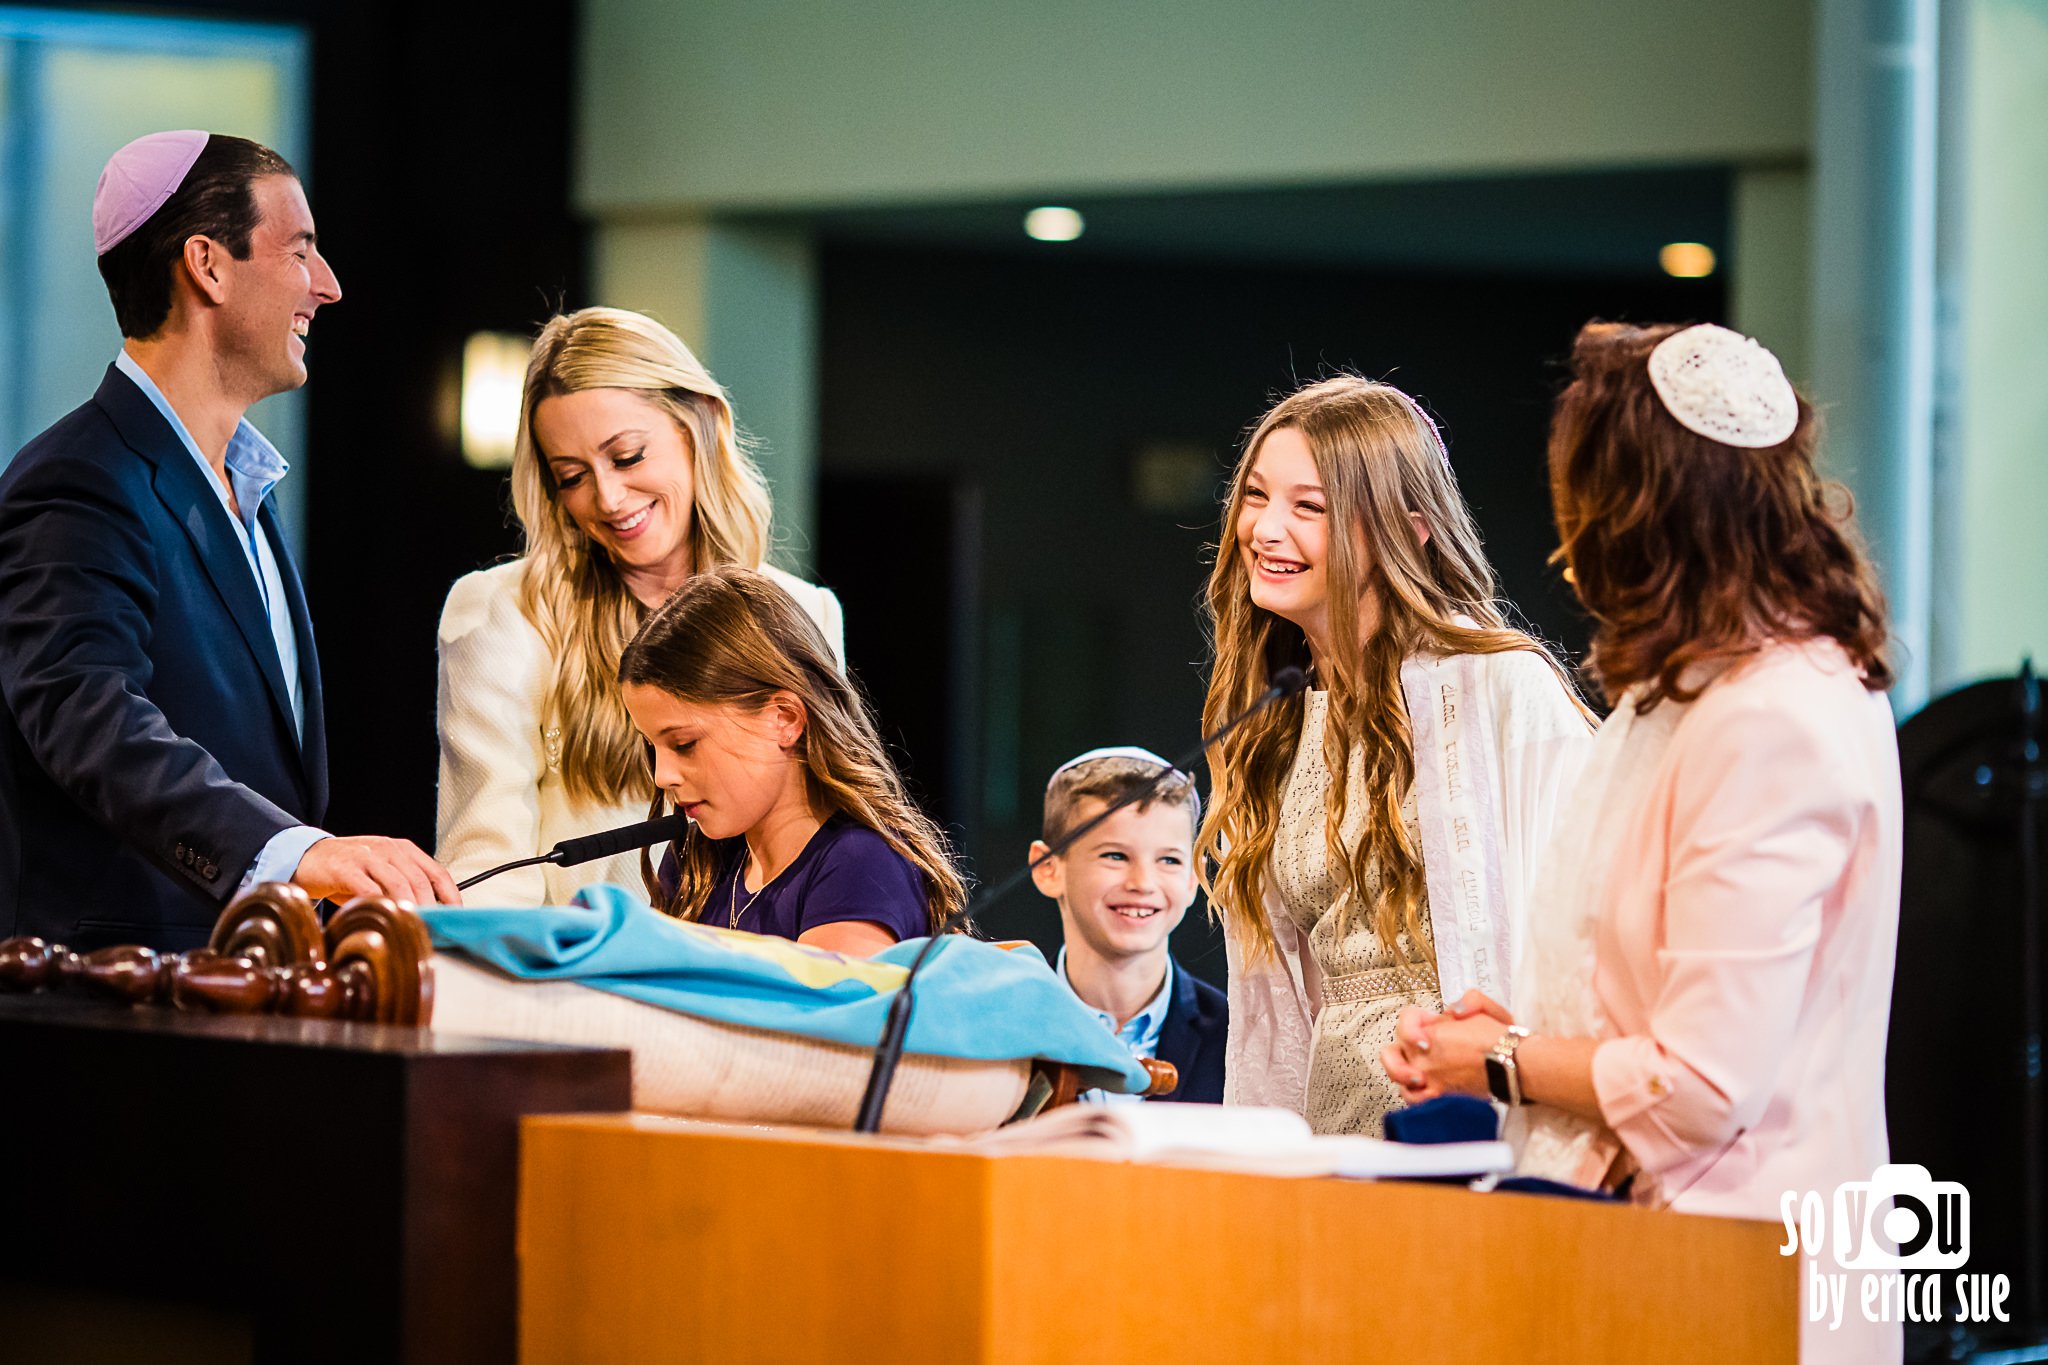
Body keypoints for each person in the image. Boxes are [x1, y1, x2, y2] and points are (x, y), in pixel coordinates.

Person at [1380, 323, 1900, 1365]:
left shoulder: (1772, 718)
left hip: (1733, 1269)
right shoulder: (1681, 694)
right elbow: (1658, 983)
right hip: (1646, 1254)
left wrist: (1501, 1059)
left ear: (1632, 517)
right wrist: (1527, 1028)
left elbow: (1704, 1086)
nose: (1565, 549)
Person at [0, 130, 456, 951]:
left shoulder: (243, 485)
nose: (329, 287)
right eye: (302, 252)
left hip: (233, 995)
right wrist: (298, 852)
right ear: (207, 265)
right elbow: (89, 717)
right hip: (115, 1004)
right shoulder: (76, 479)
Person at [1196, 375, 1592, 1136]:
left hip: (1474, 1136)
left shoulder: (1499, 685)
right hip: (1332, 1144)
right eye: (1255, 496)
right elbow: (1277, 1015)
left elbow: (1578, 943)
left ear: (1406, 533)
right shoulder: (1280, 716)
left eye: (1308, 507)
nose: (1266, 529)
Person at [436, 307, 844, 904]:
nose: (607, 496)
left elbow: (820, 850)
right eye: (572, 476)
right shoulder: (504, 611)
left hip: (743, 978)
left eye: (626, 457)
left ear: (699, 423)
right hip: (569, 981)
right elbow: (488, 868)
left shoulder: (804, 613)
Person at [619, 564, 958, 956]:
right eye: (652, 748)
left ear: (785, 719)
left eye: (684, 743)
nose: (662, 776)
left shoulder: (859, 866)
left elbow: (810, 1018)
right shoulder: (695, 862)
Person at [1029, 747, 1227, 1104]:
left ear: (1191, 881)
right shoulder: (1009, 1026)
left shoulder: (1235, 1034)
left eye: (1169, 860)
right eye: (1115, 856)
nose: (1143, 883)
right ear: (1048, 868)